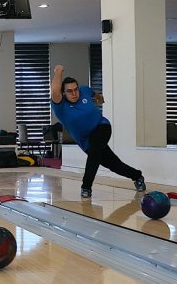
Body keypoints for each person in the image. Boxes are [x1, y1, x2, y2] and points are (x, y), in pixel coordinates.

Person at [50, 65, 145, 198]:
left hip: (102, 126)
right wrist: (58, 71)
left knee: (95, 153)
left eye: (75, 89)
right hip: (86, 141)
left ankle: (86, 188)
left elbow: (95, 94)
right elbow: (55, 91)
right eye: (69, 91)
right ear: (64, 93)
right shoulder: (60, 106)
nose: (74, 93)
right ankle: (137, 176)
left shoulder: (84, 90)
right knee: (114, 165)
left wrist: (100, 99)